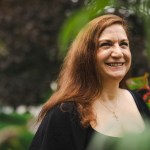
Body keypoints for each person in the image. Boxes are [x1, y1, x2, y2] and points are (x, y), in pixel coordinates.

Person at [29, 14, 150, 150]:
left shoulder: (137, 101)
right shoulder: (66, 113)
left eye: (123, 44)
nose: (118, 53)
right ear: (86, 55)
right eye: (106, 44)